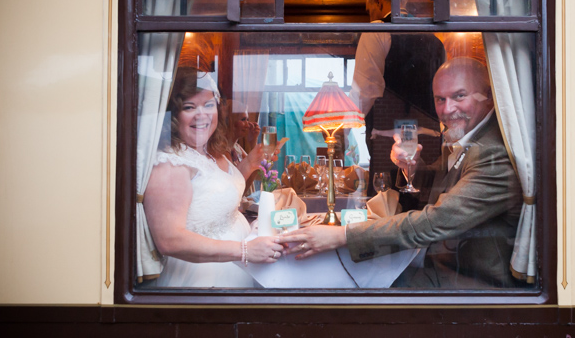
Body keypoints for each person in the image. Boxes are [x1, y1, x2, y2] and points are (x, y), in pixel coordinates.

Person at [277, 57, 523, 288]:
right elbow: (441, 184)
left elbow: (436, 221)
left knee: (352, 287)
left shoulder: (493, 153)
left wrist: (341, 236)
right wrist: (412, 169)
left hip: (469, 282)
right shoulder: (469, 137)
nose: (448, 109)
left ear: (489, 95)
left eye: (459, 96)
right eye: (440, 99)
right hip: (440, 262)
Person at [143, 67, 283, 288]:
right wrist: (245, 250)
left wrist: (250, 164)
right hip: (203, 280)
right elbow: (170, 240)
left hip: (238, 270)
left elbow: (219, 194)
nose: (202, 115)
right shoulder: (170, 163)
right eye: (189, 107)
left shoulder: (210, 150)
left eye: (209, 105)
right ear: (173, 114)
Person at [350, 0, 446, 197]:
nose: (370, 14)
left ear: (377, 0)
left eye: (369, 8)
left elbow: (366, 90)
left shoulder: (377, 31)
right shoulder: (435, 38)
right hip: (432, 141)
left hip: (389, 142)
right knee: (426, 207)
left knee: (386, 213)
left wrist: (348, 123)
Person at [225, 99, 265, 180]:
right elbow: (239, 187)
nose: (248, 125)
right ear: (230, 121)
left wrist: (253, 140)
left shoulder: (236, 147)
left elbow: (260, 175)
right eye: (243, 120)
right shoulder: (223, 151)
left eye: (248, 120)